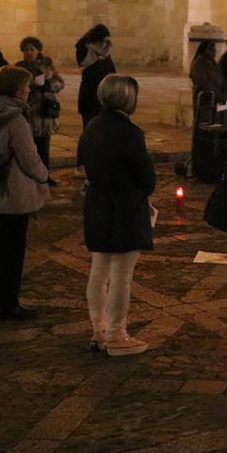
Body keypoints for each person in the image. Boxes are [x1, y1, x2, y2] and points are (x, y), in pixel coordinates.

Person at [80, 75, 155, 356]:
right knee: (122, 274)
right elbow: (146, 178)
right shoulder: (129, 133)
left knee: (99, 270)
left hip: (98, 203)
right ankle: (116, 334)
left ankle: (98, 330)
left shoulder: (93, 126)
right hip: (125, 207)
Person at [0, 66, 51, 320]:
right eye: (26, 87)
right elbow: (29, 159)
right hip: (15, 194)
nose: (29, 91)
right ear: (18, 90)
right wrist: (45, 177)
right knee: (13, 252)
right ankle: (9, 304)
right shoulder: (15, 119)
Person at [16, 37, 63, 174]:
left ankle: (45, 175)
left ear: (38, 51)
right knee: (27, 147)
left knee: (44, 147)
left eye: (31, 49)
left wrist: (48, 86)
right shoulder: (19, 67)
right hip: (28, 112)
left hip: (44, 113)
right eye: (25, 50)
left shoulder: (47, 66)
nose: (28, 52)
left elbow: (59, 83)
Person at [76, 25, 115, 130]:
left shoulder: (106, 52)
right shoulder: (84, 47)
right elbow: (83, 64)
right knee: (89, 125)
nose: (104, 43)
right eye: (102, 40)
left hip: (104, 93)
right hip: (90, 92)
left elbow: (111, 70)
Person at [189, 40, 227, 117]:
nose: (214, 52)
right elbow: (202, 82)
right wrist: (216, 94)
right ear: (204, 50)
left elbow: (222, 78)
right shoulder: (198, 63)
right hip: (206, 99)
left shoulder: (214, 63)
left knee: (220, 120)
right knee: (205, 122)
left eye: (214, 49)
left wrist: (225, 92)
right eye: (211, 50)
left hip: (220, 99)